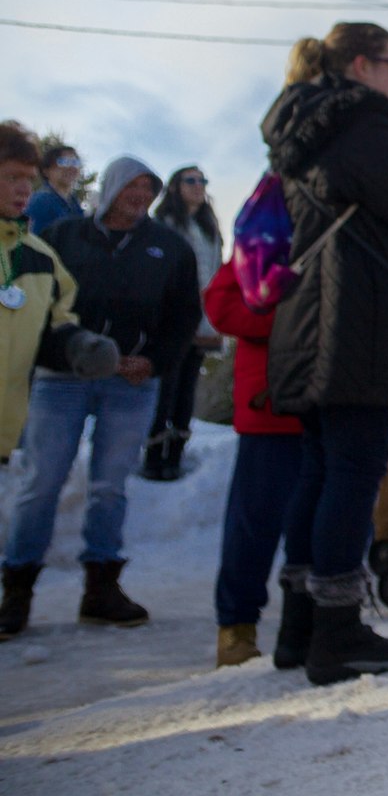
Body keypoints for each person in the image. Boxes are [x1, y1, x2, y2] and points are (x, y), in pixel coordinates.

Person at [262, 22, 388, 685]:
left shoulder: (309, 123)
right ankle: (339, 636)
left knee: (322, 473)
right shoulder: (362, 116)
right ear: (361, 65)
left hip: (312, 319)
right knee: (352, 475)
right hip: (357, 321)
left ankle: (302, 629)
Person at [4, 156, 200, 638]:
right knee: (41, 481)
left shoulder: (170, 248)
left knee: (110, 485)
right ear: (111, 187)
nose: (139, 195)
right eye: (131, 186)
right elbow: (40, 307)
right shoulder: (64, 237)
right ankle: (16, 591)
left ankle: (101, 589)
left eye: (148, 188)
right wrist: (72, 353)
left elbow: (182, 318)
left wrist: (152, 361)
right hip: (61, 376)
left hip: (132, 383)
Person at [205, 250, 305, 668]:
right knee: (254, 525)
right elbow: (221, 306)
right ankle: (237, 627)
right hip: (272, 405)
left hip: (335, 406)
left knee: (321, 525)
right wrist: (295, 320)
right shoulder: (266, 236)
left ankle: (313, 622)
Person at [0, 123, 118, 465]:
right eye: (11, 178)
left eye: (28, 178)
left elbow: (55, 322)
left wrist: (78, 346)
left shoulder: (41, 255)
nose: (25, 189)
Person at [143, 164, 225, 481]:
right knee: (166, 386)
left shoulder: (209, 228)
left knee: (187, 388)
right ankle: (154, 456)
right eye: (190, 180)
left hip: (204, 320)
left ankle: (176, 454)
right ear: (176, 186)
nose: (198, 185)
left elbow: (216, 270)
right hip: (170, 317)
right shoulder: (163, 224)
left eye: (202, 180)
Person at [24, 137, 83, 235]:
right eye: (64, 162)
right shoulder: (40, 202)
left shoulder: (74, 203)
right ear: (46, 171)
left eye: (75, 162)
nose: (71, 167)